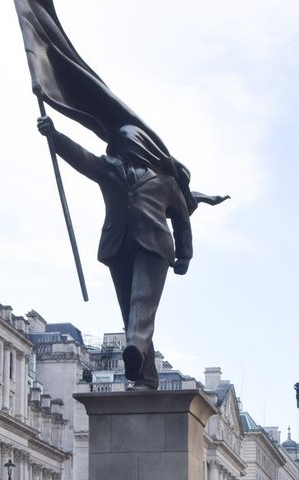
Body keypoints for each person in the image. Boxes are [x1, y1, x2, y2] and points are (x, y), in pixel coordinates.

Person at [38, 116, 223, 390]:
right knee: (130, 313)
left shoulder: (166, 182)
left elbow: (182, 219)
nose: (121, 151)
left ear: (139, 148)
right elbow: (83, 158)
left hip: (154, 247)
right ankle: (146, 376)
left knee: (141, 304)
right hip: (118, 246)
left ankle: (134, 347)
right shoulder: (109, 169)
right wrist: (55, 137)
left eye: (125, 146)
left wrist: (185, 255)